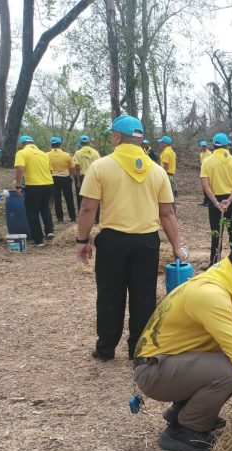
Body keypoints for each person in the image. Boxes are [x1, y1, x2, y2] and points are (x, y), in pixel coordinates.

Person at [134, 228, 232, 451]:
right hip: (153, 371)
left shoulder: (230, 281)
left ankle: (184, 411)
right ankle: (184, 431)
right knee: (228, 370)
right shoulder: (211, 294)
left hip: (171, 362)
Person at [76, 115, 186, 361]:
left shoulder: (101, 166)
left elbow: (88, 208)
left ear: (117, 137)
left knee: (109, 295)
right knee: (144, 297)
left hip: (112, 242)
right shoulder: (157, 171)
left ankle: (106, 348)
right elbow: (167, 213)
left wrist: (82, 240)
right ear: (140, 139)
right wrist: (177, 247)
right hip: (146, 242)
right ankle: (139, 350)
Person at [201, 132, 232, 266]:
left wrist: (215, 202)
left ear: (213, 145)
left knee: (216, 233)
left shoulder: (207, 161)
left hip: (215, 200)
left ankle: (214, 262)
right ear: (227, 146)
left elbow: (205, 185)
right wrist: (230, 200)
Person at [14, 135, 55, 247]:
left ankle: (38, 240)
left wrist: (18, 185)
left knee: (32, 212)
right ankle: (49, 230)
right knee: (45, 208)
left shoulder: (21, 153)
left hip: (33, 186)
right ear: (33, 143)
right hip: (48, 184)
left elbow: (20, 169)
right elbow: (50, 171)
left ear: (23, 144)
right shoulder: (44, 154)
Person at [48, 137, 77, 223]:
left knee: (57, 199)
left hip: (53, 178)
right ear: (60, 145)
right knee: (69, 198)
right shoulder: (66, 155)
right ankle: (72, 217)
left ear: (51, 145)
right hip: (65, 178)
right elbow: (72, 168)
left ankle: (60, 218)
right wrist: (70, 175)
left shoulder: (46, 155)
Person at [72, 134, 101, 217]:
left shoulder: (78, 153)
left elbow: (77, 167)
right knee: (95, 196)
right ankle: (96, 217)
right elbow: (100, 165)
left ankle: (82, 215)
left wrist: (78, 181)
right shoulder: (95, 152)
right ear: (88, 143)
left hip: (83, 177)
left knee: (81, 196)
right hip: (94, 176)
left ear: (80, 143)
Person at [198, 140, 212, 206]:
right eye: (202, 146)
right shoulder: (201, 154)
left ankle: (209, 201)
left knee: (208, 186)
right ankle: (205, 201)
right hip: (203, 171)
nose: (204, 147)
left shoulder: (209, 154)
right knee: (204, 186)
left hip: (208, 172)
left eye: (205, 146)